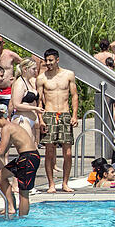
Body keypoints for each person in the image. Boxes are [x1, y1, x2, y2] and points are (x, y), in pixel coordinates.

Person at [36, 48, 78, 193]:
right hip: (49, 114)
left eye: (51, 60)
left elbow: (74, 95)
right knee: (49, 151)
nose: (48, 63)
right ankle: (51, 184)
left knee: (68, 152)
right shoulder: (42, 78)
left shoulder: (68, 75)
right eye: (46, 61)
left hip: (65, 113)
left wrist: (74, 115)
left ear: (57, 60)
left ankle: (65, 183)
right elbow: (38, 101)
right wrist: (41, 119)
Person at [0, 105, 39, 216]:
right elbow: (3, 150)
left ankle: (23, 221)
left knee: (23, 192)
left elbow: (1, 151)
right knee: (1, 175)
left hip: (28, 158)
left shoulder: (6, 128)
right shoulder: (11, 126)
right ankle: (11, 207)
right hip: (26, 157)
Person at [9, 58, 43, 142]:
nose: (36, 71)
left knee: (33, 147)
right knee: (27, 147)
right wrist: (35, 108)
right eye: (33, 69)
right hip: (23, 119)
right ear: (25, 69)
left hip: (32, 120)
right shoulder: (20, 83)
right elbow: (16, 105)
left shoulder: (30, 81)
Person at [0, 34, 22, 109]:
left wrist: (17, 78)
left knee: (7, 113)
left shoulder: (10, 55)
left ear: (3, 43)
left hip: (8, 92)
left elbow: (25, 65)